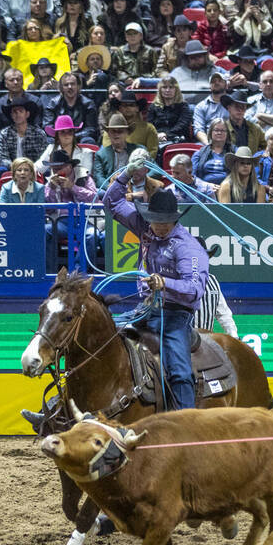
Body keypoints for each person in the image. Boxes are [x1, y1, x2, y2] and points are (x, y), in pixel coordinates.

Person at [103, 156, 208, 410]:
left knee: (179, 370)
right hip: (147, 309)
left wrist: (165, 283)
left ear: (175, 219)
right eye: (155, 220)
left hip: (175, 316)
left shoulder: (188, 248)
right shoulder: (146, 227)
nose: (159, 226)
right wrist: (127, 173)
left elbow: (195, 291)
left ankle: (186, 420)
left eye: (164, 221)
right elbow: (111, 201)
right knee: (103, 336)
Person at [44, 149, 100, 272]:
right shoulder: (50, 182)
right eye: (54, 168)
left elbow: (94, 199)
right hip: (61, 222)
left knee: (92, 235)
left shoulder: (84, 177)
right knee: (44, 231)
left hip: (85, 221)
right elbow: (47, 208)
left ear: (69, 166)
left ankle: (77, 272)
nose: (57, 172)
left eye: (60, 168)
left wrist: (73, 187)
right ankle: (49, 271)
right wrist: (52, 189)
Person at [0, 95, 47, 177]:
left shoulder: (39, 134)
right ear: (11, 115)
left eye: (20, 111)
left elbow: (42, 157)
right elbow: (2, 158)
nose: (17, 114)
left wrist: (29, 168)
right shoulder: (5, 134)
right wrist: (16, 166)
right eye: (14, 112)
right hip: (12, 168)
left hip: (33, 168)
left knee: (46, 170)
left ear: (27, 114)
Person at [104, 90, 161, 160]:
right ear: (119, 108)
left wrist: (140, 165)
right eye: (124, 105)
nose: (128, 108)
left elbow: (152, 151)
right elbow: (107, 150)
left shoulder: (149, 128)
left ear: (137, 108)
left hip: (141, 166)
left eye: (131, 105)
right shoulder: (110, 129)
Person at [95, 114, 148, 185]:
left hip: (136, 187)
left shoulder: (139, 150)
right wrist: (111, 189)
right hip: (111, 189)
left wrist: (140, 181)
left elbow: (155, 171)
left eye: (120, 131)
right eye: (113, 131)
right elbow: (99, 178)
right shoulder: (100, 154)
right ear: (108, 134)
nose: (116, 134)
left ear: (127, 133)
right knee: (100, 193)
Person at [37, 115, 94, 179]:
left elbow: (85, 176)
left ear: (73, 133)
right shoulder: (51, 149)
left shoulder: (86, 152)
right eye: (62, 132)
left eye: (70, 131)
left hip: (79, 187)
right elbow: (38, 168)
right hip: (55, 186)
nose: (66, 135)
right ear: (57, 135)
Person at [148, 76, 194, 144]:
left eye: (171, 87)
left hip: (178, 139)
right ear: (160, 89)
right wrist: (157, 135)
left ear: (176, 90)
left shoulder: (183, 106)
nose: (167, 90)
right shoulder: (153, 106)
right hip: (157, 138)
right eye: (164, 87)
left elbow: (182, 125)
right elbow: (150, 125)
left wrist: (166, 135)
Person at [192, 118, 235, 184]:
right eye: (216, 130)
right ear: (210, 132)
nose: (219, 133)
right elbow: (192, 176)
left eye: (223, 130)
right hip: (205, 190)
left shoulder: (234, 151)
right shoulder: (199, 154)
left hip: (228, 188)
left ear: (227, 134)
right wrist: (207, 187)